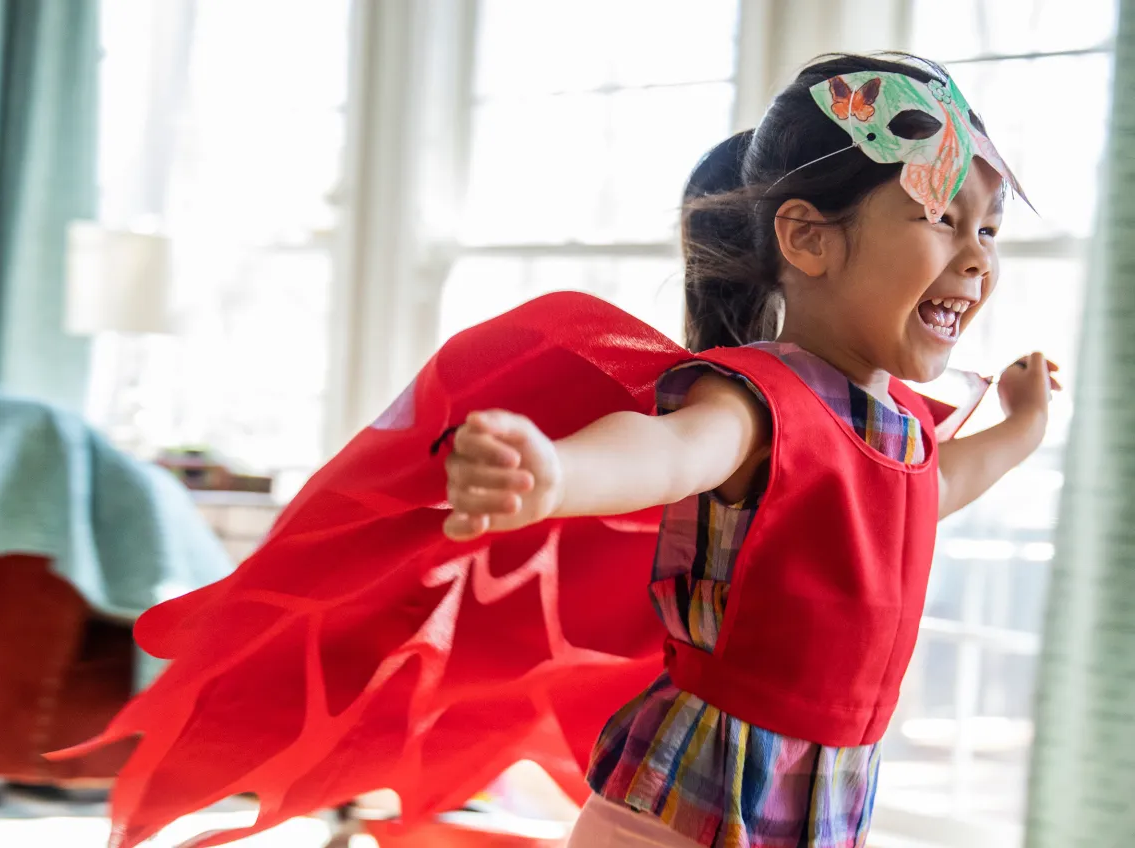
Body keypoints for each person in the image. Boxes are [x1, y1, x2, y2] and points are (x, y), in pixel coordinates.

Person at [63, 53, 1058, 848]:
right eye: (939, 218)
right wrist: (558, 473)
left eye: (991, 229)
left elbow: (925, 493)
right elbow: (666, 451)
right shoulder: (762, 398)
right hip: (696, 788)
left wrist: (1020, 428)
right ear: (808, 237)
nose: (977, 255)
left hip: (826, 785)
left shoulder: (893, 423)